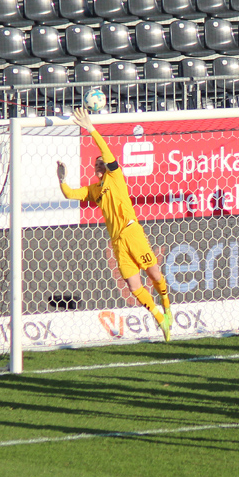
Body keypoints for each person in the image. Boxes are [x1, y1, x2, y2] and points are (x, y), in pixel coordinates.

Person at [56, 108, 174, 341]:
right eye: (97, 164)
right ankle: (160, 319)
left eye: (102, 162)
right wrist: (61, 180)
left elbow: (107, 153)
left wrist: (91, 129)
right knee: (133, 287)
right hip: (118, 241)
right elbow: (70, 194)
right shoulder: (94, 190)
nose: (100, 164)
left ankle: (167, 307)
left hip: (131, 231)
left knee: (155, 274)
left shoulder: (115, 177)